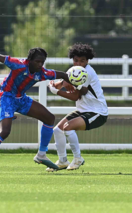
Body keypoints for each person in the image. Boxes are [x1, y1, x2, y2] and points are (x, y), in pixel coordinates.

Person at [0, 48, 86, 174]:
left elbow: (61, 75)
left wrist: (76, 82)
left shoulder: (42, 73)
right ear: (29, 60)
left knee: (49, 118)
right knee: (5, 131)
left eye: (42, 62)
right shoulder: (18, 64)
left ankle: (41, 155)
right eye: (37, 62)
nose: (40, 65)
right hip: (6, 97)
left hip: (21, 99)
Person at [46, 43, 108, 171]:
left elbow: (75, 96)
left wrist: (56, 91)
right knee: (57, 130)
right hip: (83, 110)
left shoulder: (87, 72)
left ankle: (78, 158)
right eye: (76, 60)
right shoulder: (72, 71)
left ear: (88, 60)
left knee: (68, 128)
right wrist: (55, 85)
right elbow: (61, 84)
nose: (79, 63)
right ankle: (62, 161)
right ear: (72, 59)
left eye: (82, 60)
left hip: (97, 112)